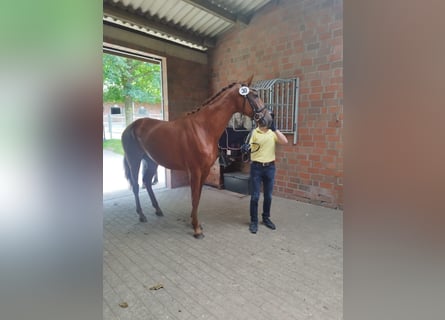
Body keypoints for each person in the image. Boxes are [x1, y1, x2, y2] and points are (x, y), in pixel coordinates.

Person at [248, 115, 288, 234]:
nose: (263, 120)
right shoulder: (254, 132)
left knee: (268, 196)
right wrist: (246, 149)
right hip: (256, 168)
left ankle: (266, 218)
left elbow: (285, 141)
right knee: (255, 196)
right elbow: (248, 147)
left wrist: (275, 129)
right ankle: (254, 221)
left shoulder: (272, 133)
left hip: (270, 168)